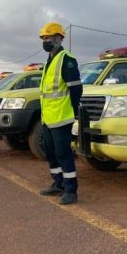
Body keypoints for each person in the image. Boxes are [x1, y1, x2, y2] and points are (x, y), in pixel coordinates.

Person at [38, 22, 83, 205]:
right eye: (43, 38)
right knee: (50, 153)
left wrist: (71, 112)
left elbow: (76, 89)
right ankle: (58, 184)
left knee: (63, 153)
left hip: (61, 117)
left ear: (58, 38)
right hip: (48, 118)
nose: (45, 41)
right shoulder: (49, 60)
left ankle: (71, 190)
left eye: (48, 38)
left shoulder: (66, 59)